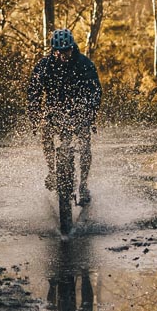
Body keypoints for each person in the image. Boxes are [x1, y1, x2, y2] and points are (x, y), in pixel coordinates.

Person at [27, 28, 102, 205]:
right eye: (59, 51)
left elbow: (96, 90)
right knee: (45, 133)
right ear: (53, 50)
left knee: (84, 144)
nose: (63, 55)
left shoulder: (84, 64)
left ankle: (83, 185)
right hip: (54, 110)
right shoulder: (44, 66)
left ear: (72, 47)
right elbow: (33, 92)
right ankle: (52, 172)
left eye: (66, 50)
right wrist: (35, 116)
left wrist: (91, 112)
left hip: (79, 109)